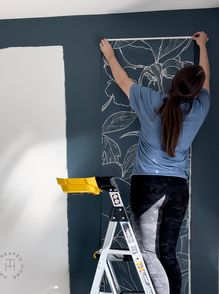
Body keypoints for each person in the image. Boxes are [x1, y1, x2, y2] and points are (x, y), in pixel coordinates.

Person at [99, 31, 210, 294]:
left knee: (148, 251)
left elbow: (122, 79)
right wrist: (202, 46)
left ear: (174, 82)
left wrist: (110, 55)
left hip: (147, 185)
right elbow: (206, 82)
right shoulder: (200, 108)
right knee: (167, 252)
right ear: (194, 93)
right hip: (177, 188)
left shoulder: (150, 100)